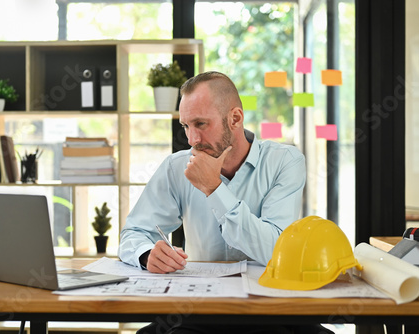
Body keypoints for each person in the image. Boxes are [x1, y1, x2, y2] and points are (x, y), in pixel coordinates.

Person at [119, 71, 333, 334]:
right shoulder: (176, 167)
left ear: (235, 118)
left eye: (201, 124)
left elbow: (274, 249)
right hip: (200, 308)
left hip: (272, 307)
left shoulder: (284, 162)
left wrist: (213, 188)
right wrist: (146, 254)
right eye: (186, 126)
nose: (192, 140)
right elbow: (134, 232)